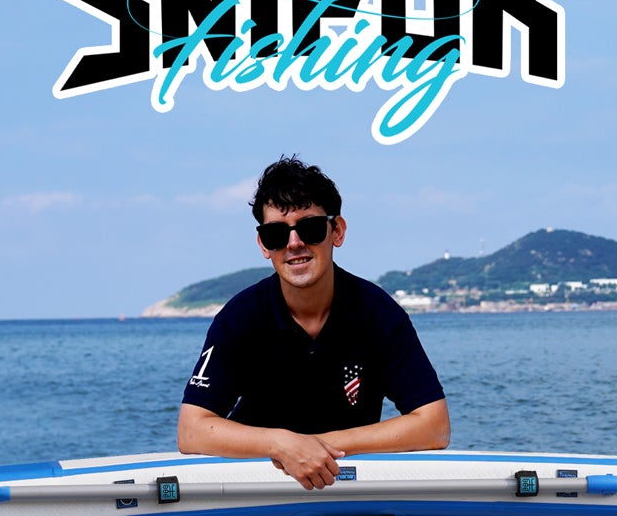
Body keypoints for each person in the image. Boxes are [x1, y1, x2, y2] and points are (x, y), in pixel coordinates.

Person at [177, 155, 450, 489]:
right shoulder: (240, 317)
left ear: (337, 231)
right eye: (276, 234)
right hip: (254, 489)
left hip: (344, 489)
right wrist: (281, 444)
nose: (294, 244)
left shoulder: (378, 313)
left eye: (310, 228)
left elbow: (435, 426)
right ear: (263, 245)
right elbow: (191, 430)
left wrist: (317, 447)